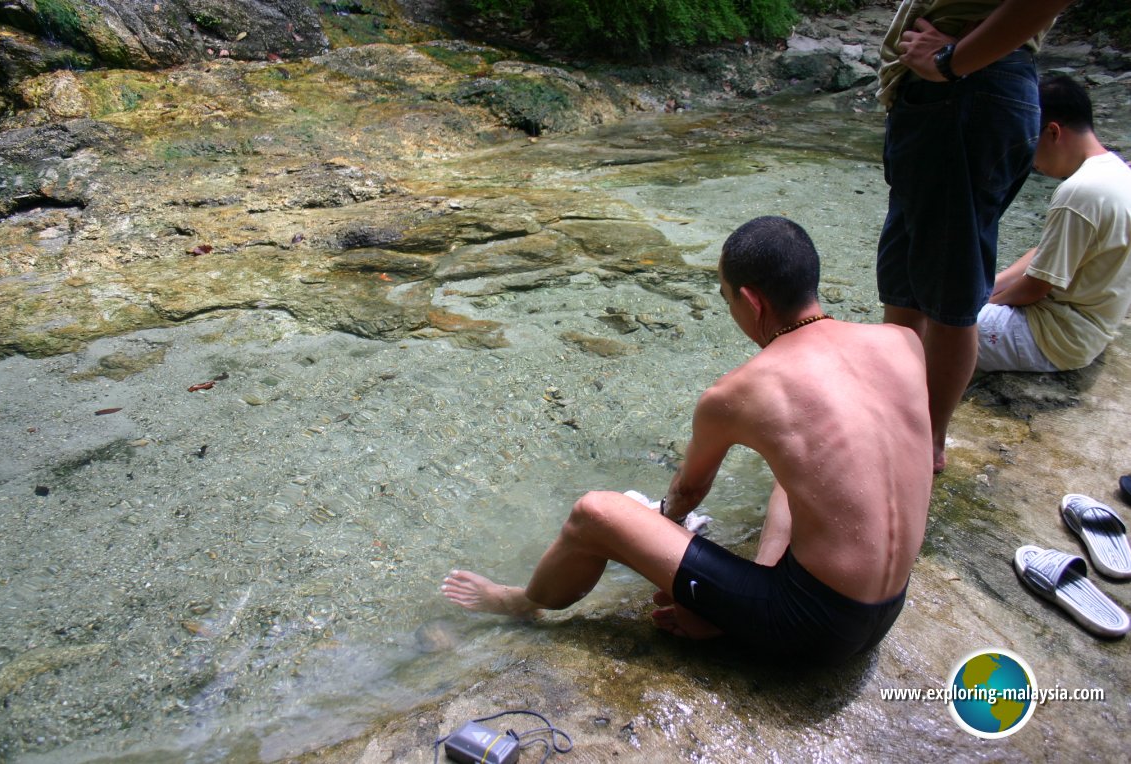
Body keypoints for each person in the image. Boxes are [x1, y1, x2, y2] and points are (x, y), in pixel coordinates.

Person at [442, 217, 934, 665]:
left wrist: (649, 530)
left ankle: (521, 603)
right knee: (801, 470)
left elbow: (687, 495)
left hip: (809, 630)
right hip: (885, 610)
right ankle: (747, 600)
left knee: (595, 514)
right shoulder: (902, 343)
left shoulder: (740, 392)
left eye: (726, 298)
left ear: (752, 300)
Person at [875, 0, 1076, 472]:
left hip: (966, 89)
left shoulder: (964, 70)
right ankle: (899, 421)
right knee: (905, 273)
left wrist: (951, 61)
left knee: (950, 286)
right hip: (948, 94)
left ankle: (925, 444)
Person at [977, 76, 1131, 373]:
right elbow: (1045, 252)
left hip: (1054, 337)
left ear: (1053, 132)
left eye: (1028, 145)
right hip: (1091, 330)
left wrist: (984, 307)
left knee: (939, 326)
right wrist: (989, 287)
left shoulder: (1079, 192)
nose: (1030, 161)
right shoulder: (1118, 172)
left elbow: (1035, 288)